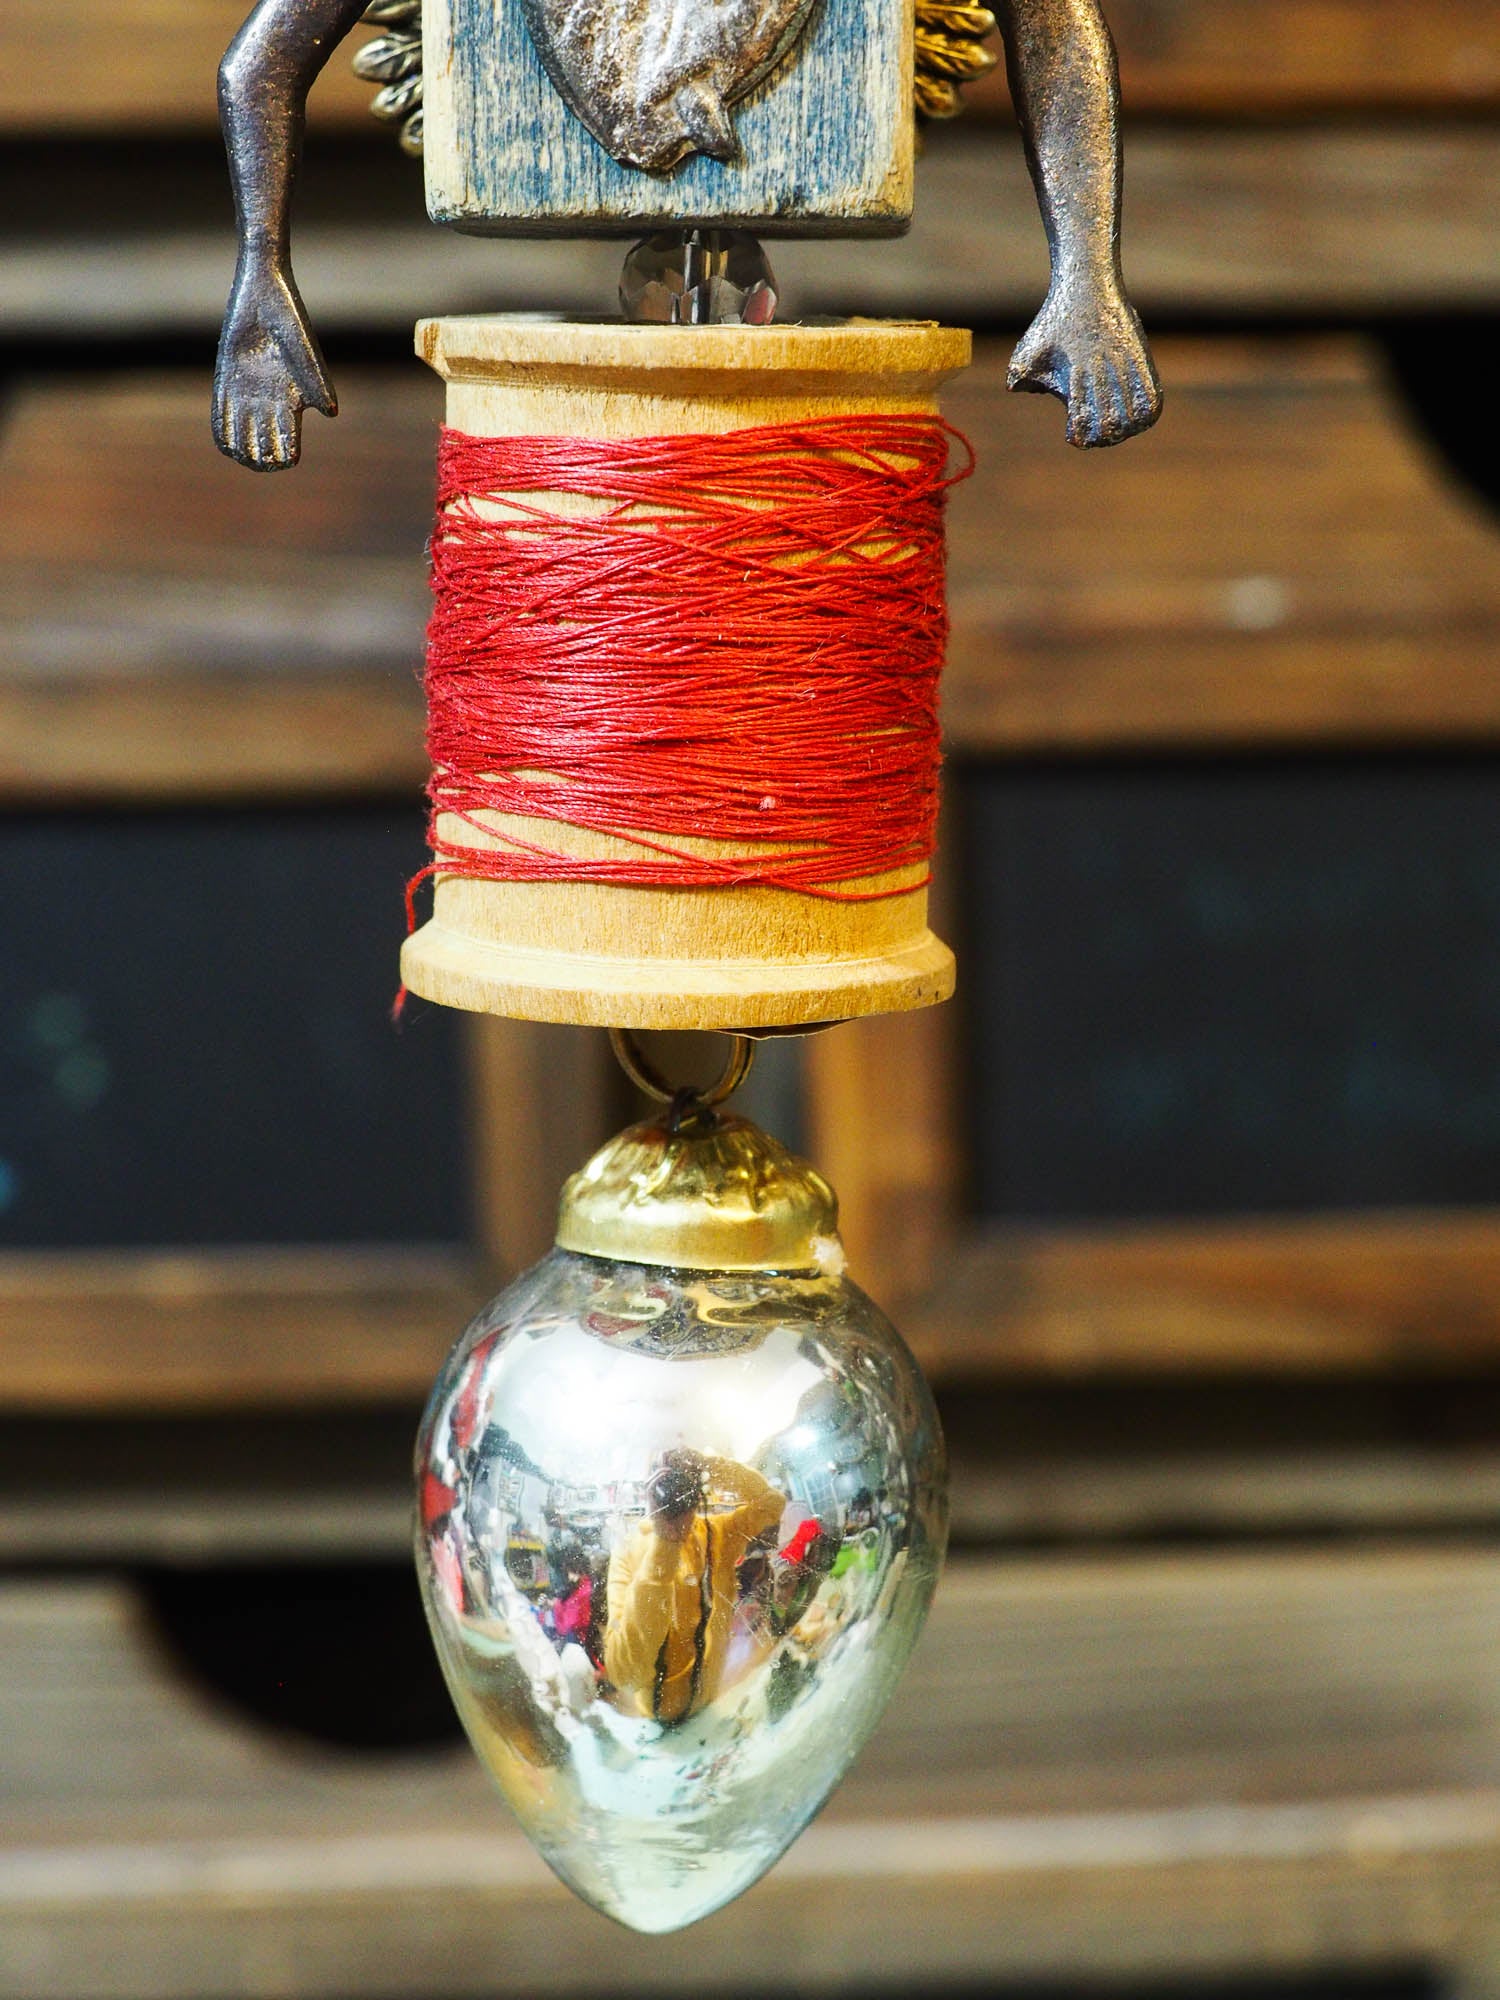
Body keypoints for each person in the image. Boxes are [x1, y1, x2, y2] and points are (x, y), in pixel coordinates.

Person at [604, 1448, 785, 1724]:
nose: (676, 1490)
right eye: (666, 1480)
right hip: (657, 1717)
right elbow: (624, 1673)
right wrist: (665, 1544)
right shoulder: (628, 1550)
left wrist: (709, 1465)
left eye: (684, 1478)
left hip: (711, 1700)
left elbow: (772, 1503)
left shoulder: (718, 1532)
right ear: (651, 1491)